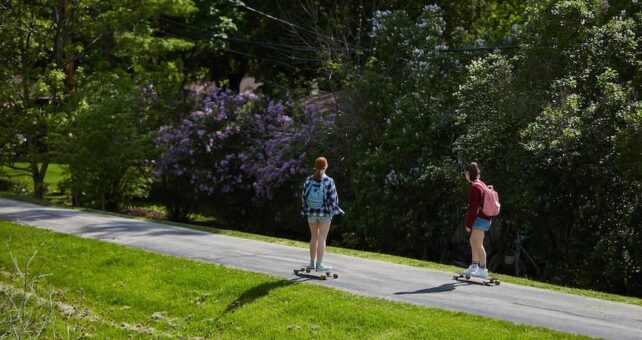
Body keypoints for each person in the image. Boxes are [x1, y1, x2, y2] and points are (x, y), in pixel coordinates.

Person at [301, 157, 344, 271]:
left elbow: (303, 198)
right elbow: (334, 200)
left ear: (315, 166)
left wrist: (307, 210)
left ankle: (311, 263)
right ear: (326, 166)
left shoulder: (308, 180)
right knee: (322, 239)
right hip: (324, 213)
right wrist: (332, 212)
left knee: (313, 237)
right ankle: (319, 265)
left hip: (311, 213)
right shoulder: (329, 181)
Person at [462, 162, 493, 278]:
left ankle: (483, 269)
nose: (465, 176)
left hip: (481, 218)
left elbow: (473, 208)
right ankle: (474, 266)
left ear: (469, 173)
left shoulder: (475, 186)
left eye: (465, 174)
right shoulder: (481, 183)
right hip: (484, 218)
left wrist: (468, 224)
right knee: (473, 241)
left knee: (478, 243)